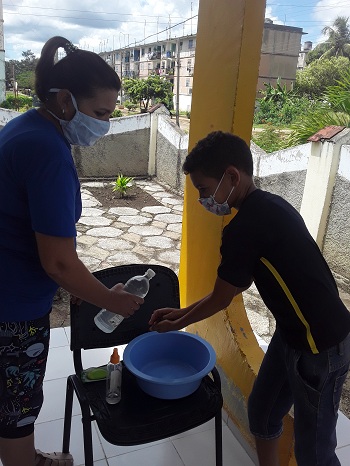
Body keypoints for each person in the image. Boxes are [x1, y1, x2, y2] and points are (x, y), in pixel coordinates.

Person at [149, 131, 350, 466]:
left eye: (203, 188)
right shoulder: (270, 204)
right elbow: (228, 289)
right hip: (292, 335)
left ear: (231, 176)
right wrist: (181, 312)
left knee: (314, 451)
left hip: (321, 346)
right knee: (263, 412)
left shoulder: (244, 229)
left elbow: (220, 300)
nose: (202, 198)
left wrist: (178, 321)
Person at [0, 36, 144, 466]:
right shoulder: (47, 151)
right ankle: (26, 462)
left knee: (9, 398)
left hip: (10, 286)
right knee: (17, 406)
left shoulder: (27, 127)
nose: (103, 125)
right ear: (65, 100)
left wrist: (82, 284)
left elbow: (51, 249)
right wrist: (111, 299)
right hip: (15, 309)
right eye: (99, 113)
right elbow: (58, 261)